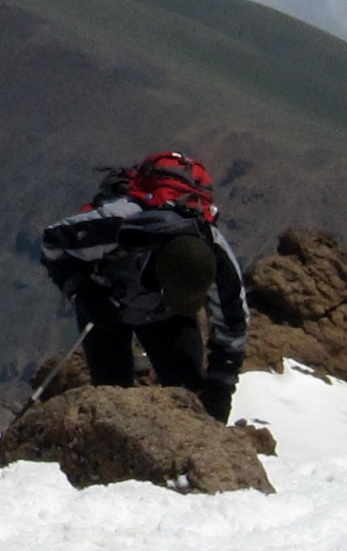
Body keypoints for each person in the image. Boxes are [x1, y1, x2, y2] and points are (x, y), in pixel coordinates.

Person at [37, 150, 249, 420]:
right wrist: (83, 291)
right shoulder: (119, 224)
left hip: (165, 315)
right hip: (106, 303)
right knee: (112, 398)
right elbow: (54, 242)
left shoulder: (213, 250)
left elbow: (233, 326)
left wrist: (219, 391)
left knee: (189, 398)